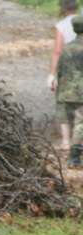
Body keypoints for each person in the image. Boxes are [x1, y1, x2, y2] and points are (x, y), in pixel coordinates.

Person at [50, 0, 79, 150]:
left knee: (63, 104)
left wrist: (52, 75)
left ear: (63, 8)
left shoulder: (62, 25)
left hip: (68, 71)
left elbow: (57, 52)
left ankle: (66, 141)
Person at [56, 15, 83, 167]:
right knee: (81, 124)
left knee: (70, 121)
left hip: (66, 91)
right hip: (81, 93)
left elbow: (60, 70)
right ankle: (74, 157)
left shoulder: (67, 48)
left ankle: (70, 146)